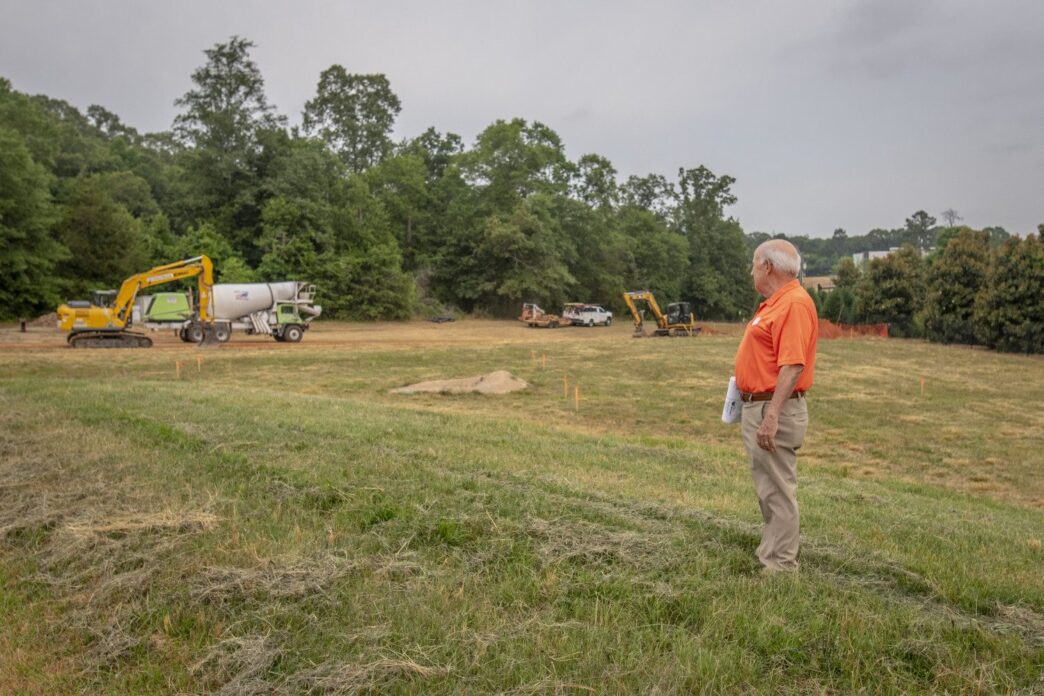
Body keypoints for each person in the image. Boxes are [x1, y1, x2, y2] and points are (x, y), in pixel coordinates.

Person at [734, 239, 818, 573]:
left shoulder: (793, 304)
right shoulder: (776, 303)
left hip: (774, 409)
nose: (751, 271)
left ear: (768, 266)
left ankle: (780, 567)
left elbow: (793, 365)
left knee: (778, 490)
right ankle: (771, 552)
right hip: (761, 406)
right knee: (768, 487)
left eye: (754, 264)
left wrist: (771, 416)